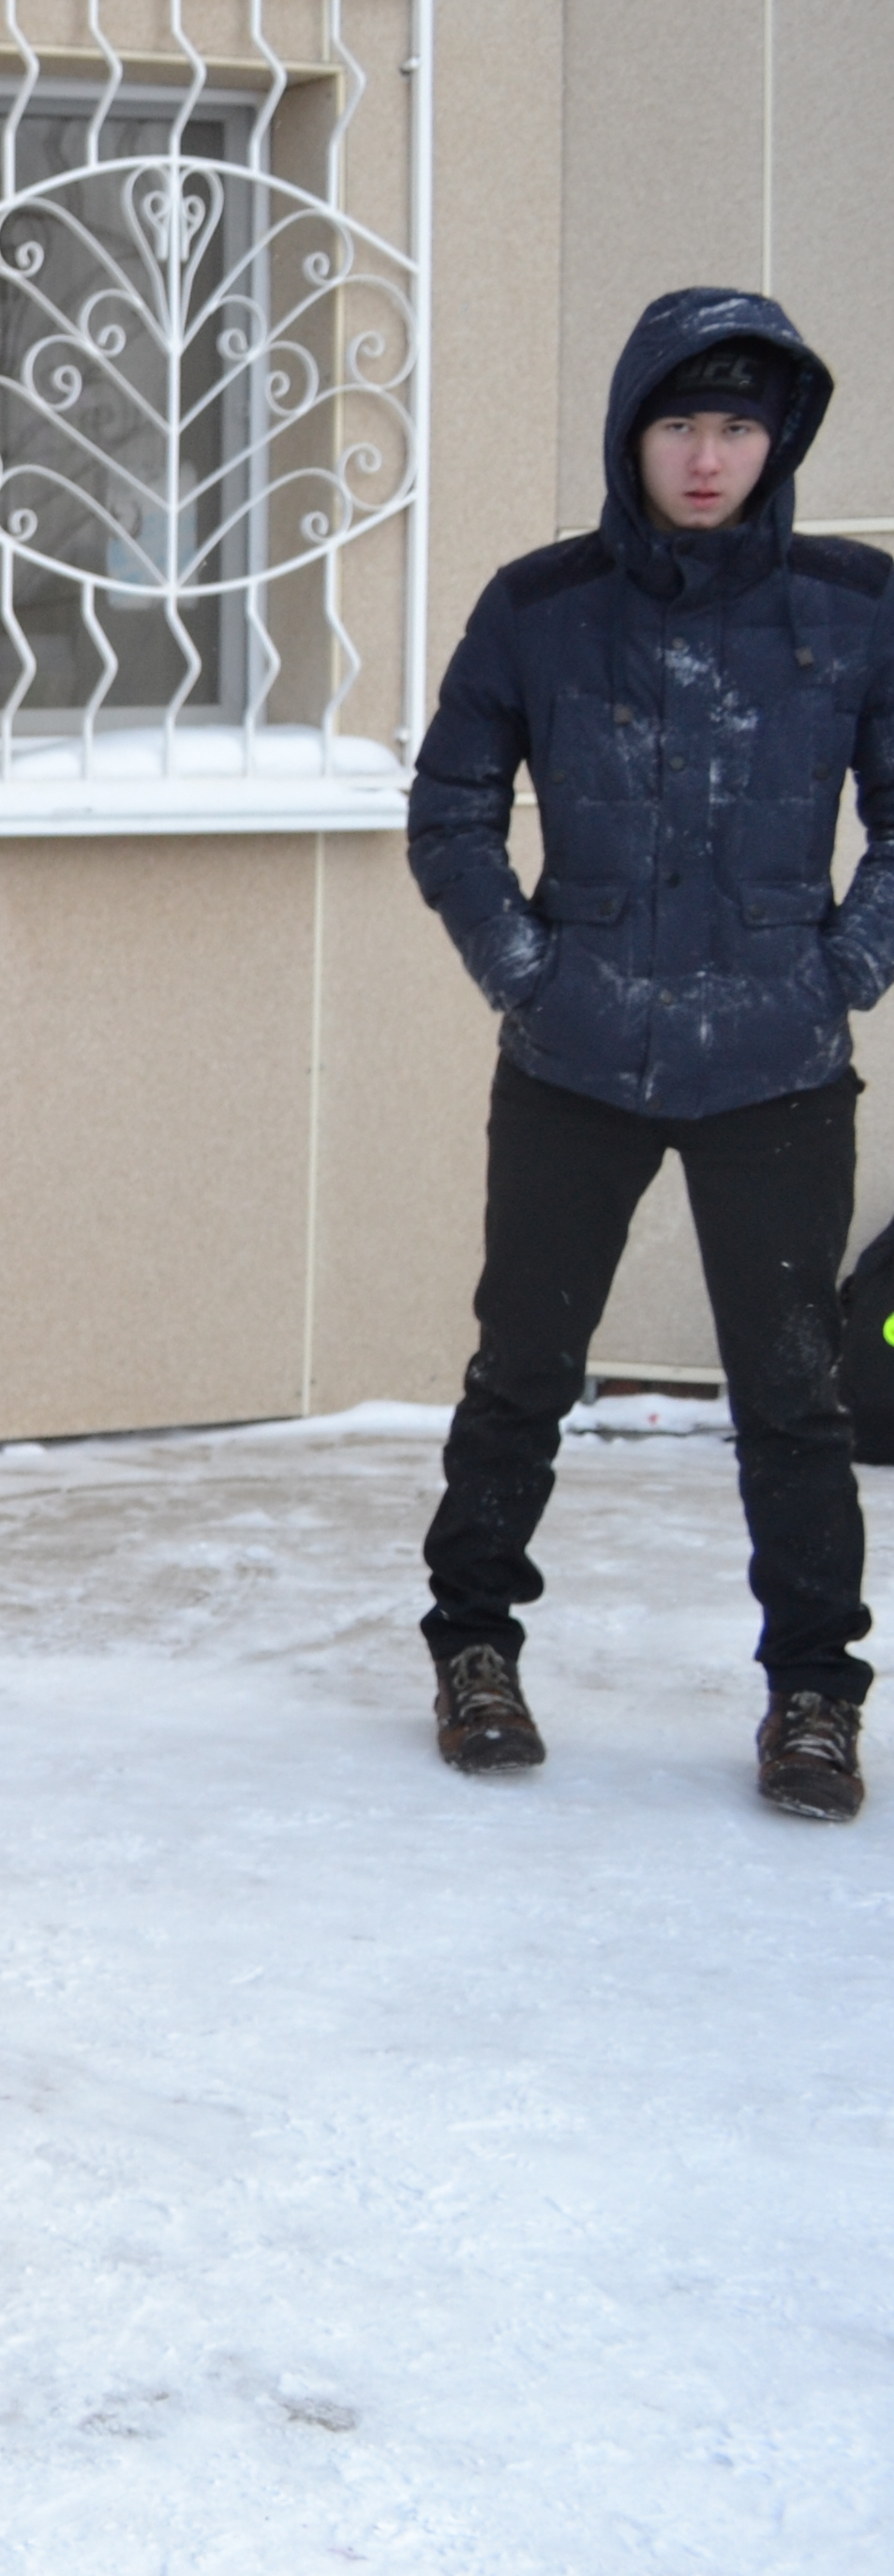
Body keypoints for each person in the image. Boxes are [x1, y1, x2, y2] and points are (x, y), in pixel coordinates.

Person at [404, 291, 890, 1821]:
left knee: (794, 1393)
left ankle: (812, 1693)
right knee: (522, 1369)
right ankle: (472, 1644)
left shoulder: (849, 608)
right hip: (574, 1061)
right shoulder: (539, 608)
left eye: (735, 425)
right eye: (678, 422)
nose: (705, 455)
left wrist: (849, 962)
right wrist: (523, 969)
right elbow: (449, 810)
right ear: (631, 433)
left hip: (775, 1065)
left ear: (776, 439)